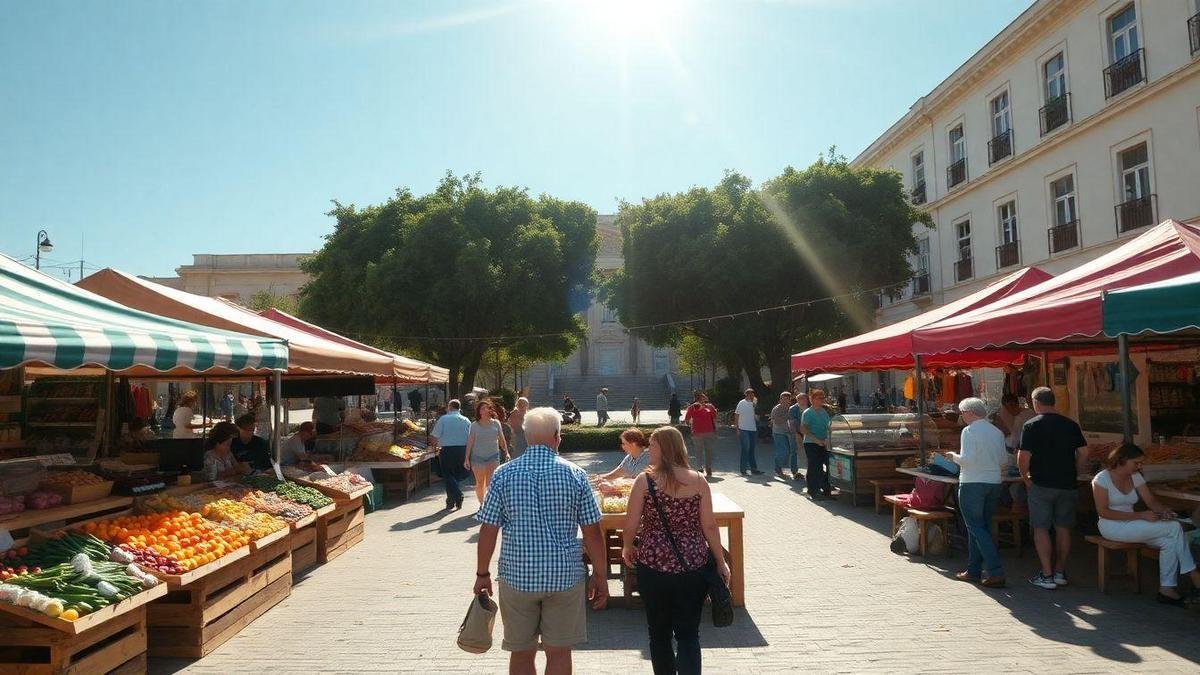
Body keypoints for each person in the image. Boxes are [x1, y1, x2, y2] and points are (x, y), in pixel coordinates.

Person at [474, 407, 608, 675]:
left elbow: (488, 529)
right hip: (564, 577)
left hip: (517, 577)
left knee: (521, 653)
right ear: (557, 436)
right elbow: (592, 532)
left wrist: (482, 573)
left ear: (526, 435)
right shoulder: (575, 474)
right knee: (559, 653)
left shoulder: (503, 474)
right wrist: (600, 576)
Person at [621, 426, 730, 675]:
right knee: (689, 634)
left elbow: (631, 521)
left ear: (666, 448)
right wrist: (720, 561)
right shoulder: (698, 481)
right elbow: (709, 526)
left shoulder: (645, 480)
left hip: (653, 564)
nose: (649, 449)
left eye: (654, 445)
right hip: (693, 565)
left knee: (658, 634)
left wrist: (628, 545)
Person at [1092, 444, 1199, 605]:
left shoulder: (1135, 476)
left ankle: (1166, 590)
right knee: (1174, 527)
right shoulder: (1101, 479)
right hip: (1111, 526)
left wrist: (1163, 511)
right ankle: (1194, 576)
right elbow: (1103, 512)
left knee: (1170, 540)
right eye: (1136, 463)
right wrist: (1140, 515)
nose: (1139, 466)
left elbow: (1150, 501)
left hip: (1134, 523)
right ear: (1122, 460)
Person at [1017, 386, 1088, 590]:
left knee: (1041, 528)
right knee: (1063, 528)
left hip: (1041, 483)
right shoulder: (1071, 424)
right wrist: (1077, 472)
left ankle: (1046, 574)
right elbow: (1084, 452)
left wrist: (1025, 477)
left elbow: (1023, 457)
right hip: (1067, 483)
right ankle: (1059, 572)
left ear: (1035, 403)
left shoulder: (1031, 425)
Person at [943, 397, 1009, 588]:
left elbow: (968, 461)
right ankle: (973, 570)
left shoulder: (969, 431)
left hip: (973, 482)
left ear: (970, 412)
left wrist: (953, 457)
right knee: (981, 527)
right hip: (994, 482)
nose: (961, 416)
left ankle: (996, 571)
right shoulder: (996, 431)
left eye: (962, 412)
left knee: (976, 527)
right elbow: (1003, 460)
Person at [431, 399, 473, 510]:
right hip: (462, 450)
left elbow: (435, 436)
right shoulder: (466, 420)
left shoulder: (443, 419)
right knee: (455, 476)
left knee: (448, 475)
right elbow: (471, 437)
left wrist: (433, 447)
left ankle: (457, 495)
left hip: (447, 450)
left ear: (450, 407)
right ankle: (451, 501)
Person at [465, 400, 508, 507]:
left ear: (490, 409)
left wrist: (506, 452)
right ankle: (482, 504)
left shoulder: (496, 423)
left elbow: (501, 439)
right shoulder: (474, 425)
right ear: (479, 411)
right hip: (477, 457)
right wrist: (466, 458)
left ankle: (489, 505)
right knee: (480, 482)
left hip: (493, 456)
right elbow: (470, 442)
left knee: (491, 483)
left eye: (486, 407)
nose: (484, 410)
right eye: (482, 408)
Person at [800, 389, 833, 499]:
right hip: (811, 443)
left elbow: (828, 426)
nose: (822, 400)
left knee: (829, 465)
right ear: (812, 399)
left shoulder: (824, 411)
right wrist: (816, 440)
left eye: (823, 397)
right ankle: (813, 491)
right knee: (815, 466)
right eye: (819, 398)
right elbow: (803, 429)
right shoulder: (808, 413)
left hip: (824, 443)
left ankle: (826, 489)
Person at [684, 392, 718, 478]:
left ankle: (708, 467)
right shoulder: (692, 407)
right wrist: (691, 426)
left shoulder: (709, 406)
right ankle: (700, 467)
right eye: (703, 397)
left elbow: (714, 417)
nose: (705, 398)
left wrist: (715, 428)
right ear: (700, 398)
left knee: (708, 451)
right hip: (698, 432)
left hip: (708, 432)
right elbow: (687, 419)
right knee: (700, 450)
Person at [732, 389, 762, 476]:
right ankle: (743, 469)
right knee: (746, 448)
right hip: (743, 429)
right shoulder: (741, 403)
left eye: (752, 393)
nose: (751, 395)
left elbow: (757, 416)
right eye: (749, 394)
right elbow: (736, 415)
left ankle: (754, 469)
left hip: (753, 429)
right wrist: (737, 428)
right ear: (746, 394)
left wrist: (755, 408)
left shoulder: (754, 403)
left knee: (752, 449)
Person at [770, 392, 795, 480]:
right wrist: (787, 416)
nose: (784, 401)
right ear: (780, 399)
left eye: (786, 399)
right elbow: (775, 421)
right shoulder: (776, 409)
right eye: (783, 399)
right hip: (778, 432)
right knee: (783, 451)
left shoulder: (791, 408)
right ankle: (778, 469)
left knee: (788, 451)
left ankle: (780, 467)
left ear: (789, 400)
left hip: (788, 432)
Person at [787, 392, 809, 482]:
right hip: (795, 433)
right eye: (801, 399)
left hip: (808, 433)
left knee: (809, 452)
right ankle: (794, 472)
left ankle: (810, 471)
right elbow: (792, 423)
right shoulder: (793, 409)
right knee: (794, 451)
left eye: (805, 399)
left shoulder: (809, 407)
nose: (803, 401)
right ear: (797, 400)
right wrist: (797, 434)